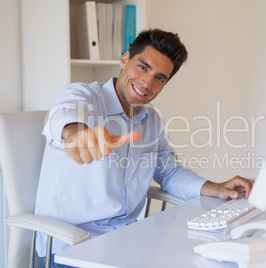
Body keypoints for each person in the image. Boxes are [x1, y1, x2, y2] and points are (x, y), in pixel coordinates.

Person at [35, 28, 254, 267]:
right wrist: (76, 132)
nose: (147, 83)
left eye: (160, 78)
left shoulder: (151, 119)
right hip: (72, 250)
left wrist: (215, 187)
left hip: (125, 243)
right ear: (125, 58)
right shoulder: (84, 96)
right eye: (143, 67)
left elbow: (168, 171)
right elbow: (65, 113)